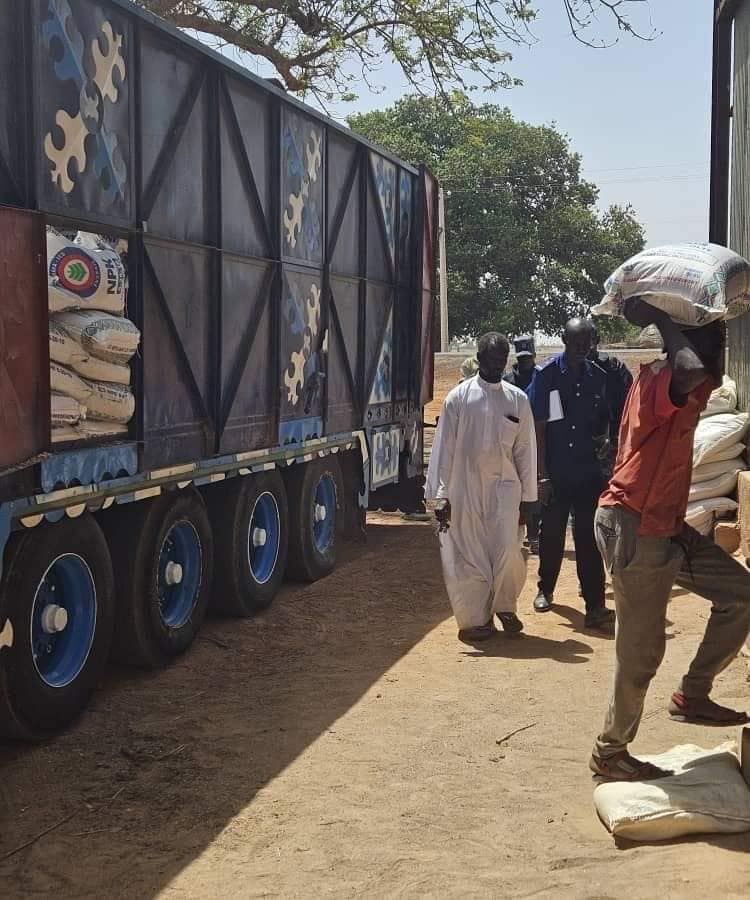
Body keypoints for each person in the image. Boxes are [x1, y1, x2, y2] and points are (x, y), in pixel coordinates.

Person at [590, 299, 750, 781]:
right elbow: (687, 365)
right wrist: (661, 319)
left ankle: (692, 694)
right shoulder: (660, 380)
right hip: (635, 526)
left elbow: (713, 374)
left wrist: (712, 326)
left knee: (741, 595)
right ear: (683, 342)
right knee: (641, 652)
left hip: (669, 526)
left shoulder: (696, 384)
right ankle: (610, 752)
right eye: (712, 338)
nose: (720, 346)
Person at [425, 333, 537, 642]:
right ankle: (477, 619)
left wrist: (529, 498)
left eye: (502, 361)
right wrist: (440, 496)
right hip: (465, 489)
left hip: (505, 489)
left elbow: (525, 452)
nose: (497, 366)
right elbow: (443, 449)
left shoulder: (517, 399)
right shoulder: (458, 398)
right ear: (478, 357)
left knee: (508, 549)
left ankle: (504, 606)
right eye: (491, 360)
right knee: (471, 555)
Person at [526, 318, 615, 631]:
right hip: (557, 472)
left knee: (588, 540)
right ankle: (544, 589)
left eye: (587, 343)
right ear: (563, 339)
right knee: (551, 535)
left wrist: (605, 441)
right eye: (576, 343)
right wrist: (542, 476)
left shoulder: (598, 377)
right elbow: (537, 427)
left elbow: (605, 418)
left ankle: (595, 606)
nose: (582, 349)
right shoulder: (546, 375)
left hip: (587, 471)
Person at [505, 335, 540, 552]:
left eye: (528, 357)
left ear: (534, 355)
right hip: (511, 439)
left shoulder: (542, 377)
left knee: (533, 487)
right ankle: (513, 532)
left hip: (536, 438)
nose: (525, 361)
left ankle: (534, 535)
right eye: (522, 357)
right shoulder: (507, 380)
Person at [588, 327, 634, 468]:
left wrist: (614, 438)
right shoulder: (566, 370)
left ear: (597, 340)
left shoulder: (614, 368)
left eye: (588, 340)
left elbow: (628, 407)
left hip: (610, 443)